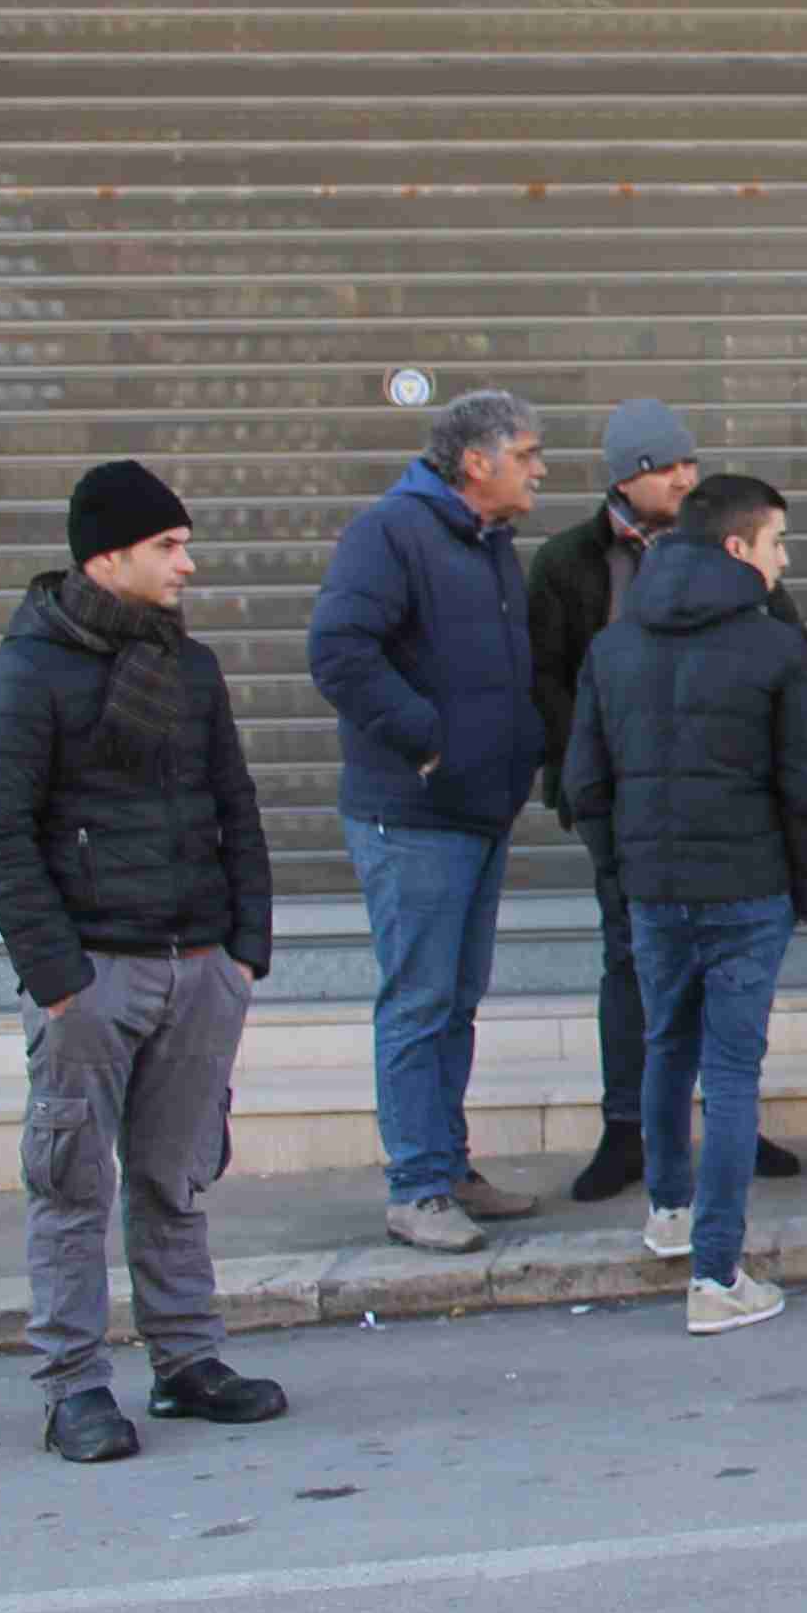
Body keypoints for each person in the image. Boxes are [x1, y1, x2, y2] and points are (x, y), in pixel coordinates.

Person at [0, 462, 287, 1464]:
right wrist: (61, 978)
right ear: (108, 556)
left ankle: (188, 1361)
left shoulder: (190, 667)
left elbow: (238, 806)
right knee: (70, 1187)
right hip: (94, 974)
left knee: (176, 1176)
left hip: (198, 965)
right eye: (168, 547)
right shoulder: (26, 672)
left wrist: (244, 954)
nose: (188, 563)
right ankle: (74, 1388)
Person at [564, 474, 807, 1337]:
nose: (784, 560)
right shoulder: (774, 649)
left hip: (654, 891)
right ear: (737, 548)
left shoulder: (613, 648)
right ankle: (717, 1277)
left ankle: (669, 1215)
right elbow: (805, 783)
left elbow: (586, 784)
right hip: (746, 890)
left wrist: (619, 876)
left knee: (665, 1047)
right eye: (777, 543)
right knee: (730, 1076)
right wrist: (805, 884)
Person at [530, 397, 805, 1201]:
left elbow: (781, 650)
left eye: (689, 463)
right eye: (667, 466)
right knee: (629, 964)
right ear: (627, 475)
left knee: (723, 985)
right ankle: (629, 1133)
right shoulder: (569, 562)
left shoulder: (730, 548)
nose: (686, 477)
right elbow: (547, 678)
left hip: (724, 809)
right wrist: (586, 776)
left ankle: (729, 1130)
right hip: (624, 804)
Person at [308, 388, 550, 1254]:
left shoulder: (488, 545)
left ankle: (447, 1168)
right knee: (419, 1001)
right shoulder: (392, 532)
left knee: (455, 1000)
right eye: (527, 454)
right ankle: (415, 1185)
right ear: (477, 462)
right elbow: (337, 650)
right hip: (413, 814)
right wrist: (426, 741)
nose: (540, 470)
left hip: (477, 811)